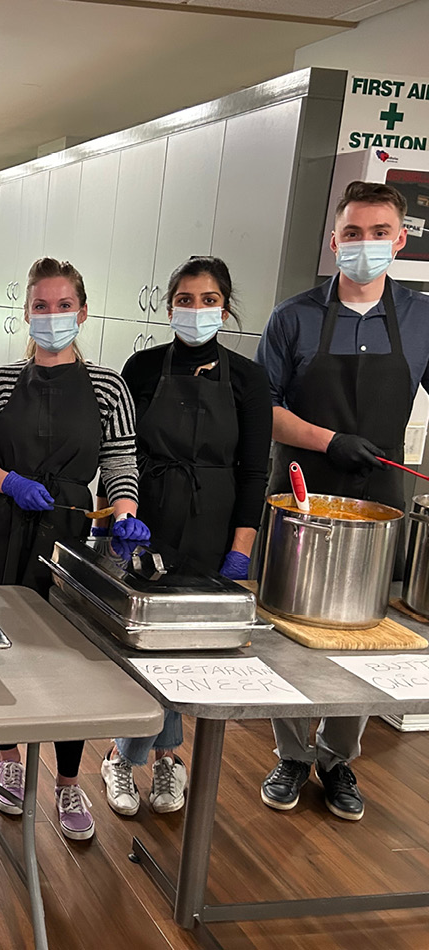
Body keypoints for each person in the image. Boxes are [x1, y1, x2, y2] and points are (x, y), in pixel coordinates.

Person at [0, 257, 149, 841]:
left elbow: (119, 462)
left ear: (82, 313)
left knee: (70, 660)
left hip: (68, 535)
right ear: (26, 314)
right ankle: (10, 757)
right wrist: (9, 481)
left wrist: (123, 513)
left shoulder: (109, 387)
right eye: (41, 306)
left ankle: (68, 782)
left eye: (63, 305)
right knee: (1, 648)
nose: (52, 316)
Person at [255, 180, 429, 822]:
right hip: (302, 489)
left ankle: (338, 757)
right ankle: (291, 752)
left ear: (400, 239)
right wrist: (328, 440)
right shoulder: (293, 316)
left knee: (364, 630)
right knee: (292, 628)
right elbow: (263, 410)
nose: (365, 244)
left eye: (379, 232)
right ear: (334, 241)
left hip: (380, 493)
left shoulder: (421, 316)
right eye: (352, 233)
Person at [101, 257, 272, 818]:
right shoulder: (142, 367)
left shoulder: (248, 380)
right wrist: (120, 514)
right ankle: (132, 753)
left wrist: (241, 546)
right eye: (185, 298)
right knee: (142, 642)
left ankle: (157, 754)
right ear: (168, 303)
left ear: (225, 307)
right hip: (146, 515)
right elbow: (119, 449)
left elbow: (253, 471)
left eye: (208, 299)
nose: (196, 310)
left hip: (212, 521)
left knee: (186, 647)